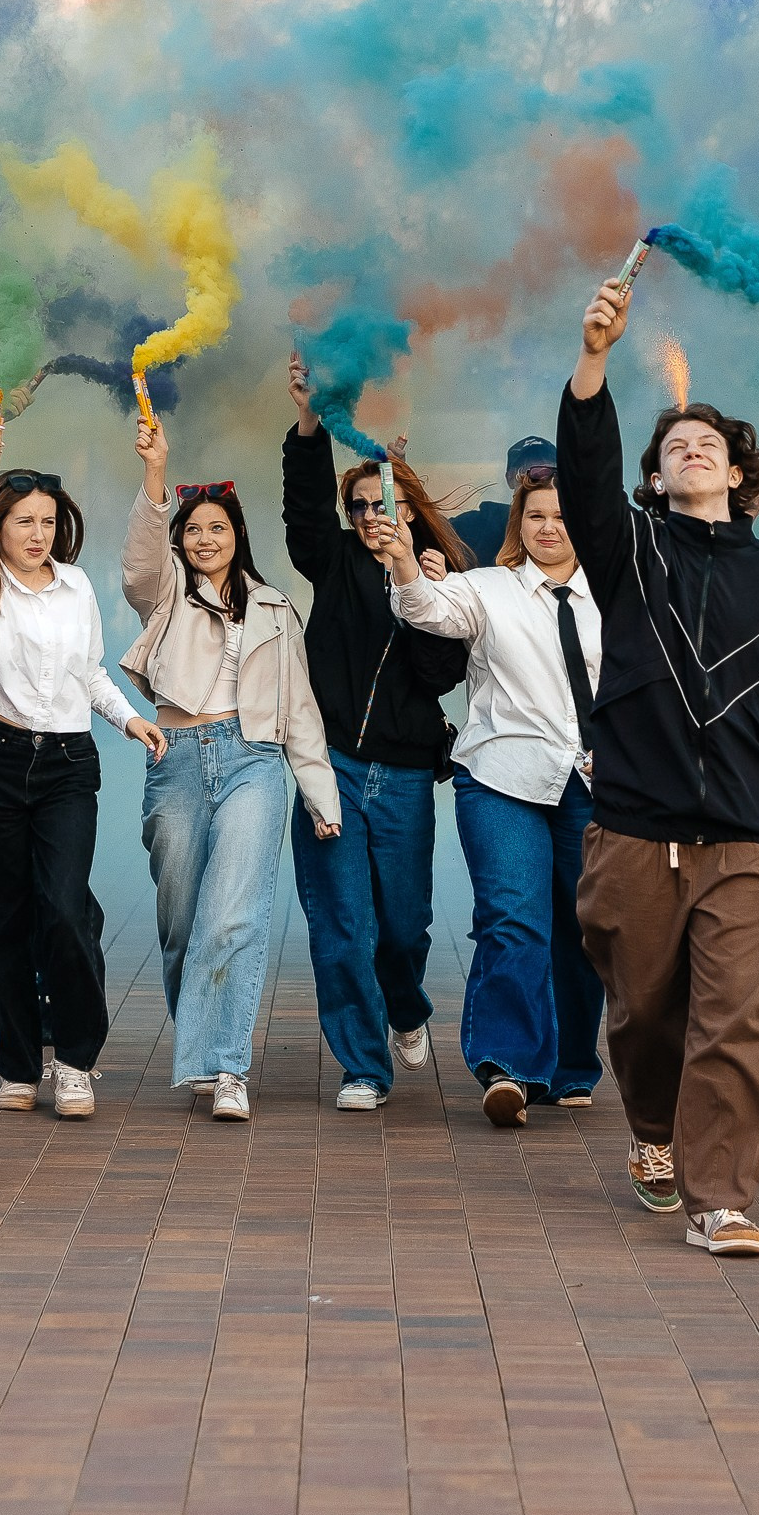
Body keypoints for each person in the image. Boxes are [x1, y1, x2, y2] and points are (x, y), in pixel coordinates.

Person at [560, 278, 759, 1258]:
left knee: (738, 1018)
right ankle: (652, 1127)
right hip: (633, 830)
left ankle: (722, 1198)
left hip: (747, 836)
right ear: (653, 478)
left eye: (709, 443)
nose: (688, 450)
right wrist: (596, 361)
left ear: (741, 476)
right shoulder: (627, 553)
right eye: (671, 447)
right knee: (645, 1016)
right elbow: (585, 474)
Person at [367, 463, 606, 1127]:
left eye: (561, 515)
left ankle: (570, 1063)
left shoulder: (618, 593)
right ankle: (507, 1065)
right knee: (512, 917)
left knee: (587, 929)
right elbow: (425, 609)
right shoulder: (487, 588)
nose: (549, 527)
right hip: (501, 777)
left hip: (595, 783)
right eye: (535, 516)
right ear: (517, 525)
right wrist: (404, 565)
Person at [122, 416, 341, 1124]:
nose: (204, 540)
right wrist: (157, 475)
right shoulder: (165, 594)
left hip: (255, 761)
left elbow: (299, 708)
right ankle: (202, 1041)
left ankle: (226, 1069)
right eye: (194, 531)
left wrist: (321, 796)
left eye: (216, 529)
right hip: (177, 759)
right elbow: (141, 560)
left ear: (237, 535)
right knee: (183, 921)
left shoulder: (277, 608)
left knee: (233, 916)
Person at [0, 411, 167, 1121]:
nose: (37, 533)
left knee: (65, 913)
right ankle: (17, 1062)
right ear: (1, 527)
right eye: (23, 521)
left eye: (46, 521)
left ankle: (74, 1060)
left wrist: (130, 718)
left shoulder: (75, 588)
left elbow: (91, 673)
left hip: (70, 765)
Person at [282, 355, 474, 1111]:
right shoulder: (331, 561)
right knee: (342, 924)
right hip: (328, 765)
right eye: (357, 506)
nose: (368, 518)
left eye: (380, 504)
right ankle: (363, 1065)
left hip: (402, 774)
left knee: (402, 928)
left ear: (408, 506)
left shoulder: (440, 574)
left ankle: (406, 1005)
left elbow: (439, 676)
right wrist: (307, 420)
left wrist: (412, 581)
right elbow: (301, 511)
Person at [448, 435, 558, 567]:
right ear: (509, 478)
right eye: (525, 472)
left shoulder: (575, 527)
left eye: (548, 474)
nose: (537, 481)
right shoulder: (474, 527)